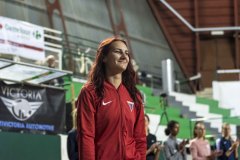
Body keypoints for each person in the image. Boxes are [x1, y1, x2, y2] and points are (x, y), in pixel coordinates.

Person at [76, 36, 146, 160]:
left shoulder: (134, 95)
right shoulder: (90, 92)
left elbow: (140, 137)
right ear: (104, 57)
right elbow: (86, 136)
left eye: (126, 53)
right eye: (118, 52)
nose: (124, 57)